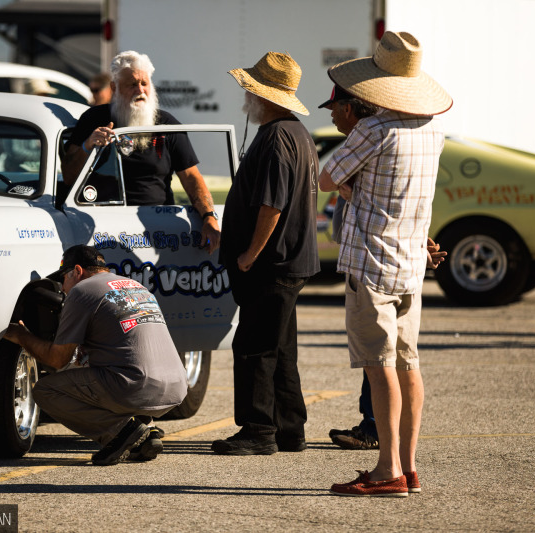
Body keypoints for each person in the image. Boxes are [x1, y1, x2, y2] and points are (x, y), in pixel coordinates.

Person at [319, 31, 452, 497]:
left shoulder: (374, 130)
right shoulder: (432, 129)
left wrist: (352, 188)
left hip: (371, 263)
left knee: (379, 369)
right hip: (410, 262)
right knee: (409, 365)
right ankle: (408, 468)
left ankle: (386, 470)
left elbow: (327, 177)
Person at [211, 52, 320, 456]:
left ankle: (258, 430)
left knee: (254, 347)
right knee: (280, 348)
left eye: (251, 91)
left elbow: (271, 205)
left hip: (272, 263)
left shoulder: (277, 137)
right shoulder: (297, 133)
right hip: (289, 261)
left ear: (265, 96)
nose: (247, 97)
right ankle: (290, 429)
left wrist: (249, 254)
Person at [4, 245, 188, 466]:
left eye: (63, 278)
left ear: (77, 271)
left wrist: (21, 336)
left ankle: (120, 431)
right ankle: (146, 433)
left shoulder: (82, 291)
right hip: (176, 388)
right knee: (113, 368)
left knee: (46, 391)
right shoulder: (135, 286)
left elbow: (57, 359)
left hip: (134, 387)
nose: (63, 287)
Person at [62, 50, 220, 253]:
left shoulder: (166, 125)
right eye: (132, 84)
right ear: (114, 88)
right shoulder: (93, 119)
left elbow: (191, 177)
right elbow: (68, 176)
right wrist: (88, 145)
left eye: (144, 83)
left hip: (157, 227)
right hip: (102, 224)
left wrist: (209, 216)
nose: (140, 90)